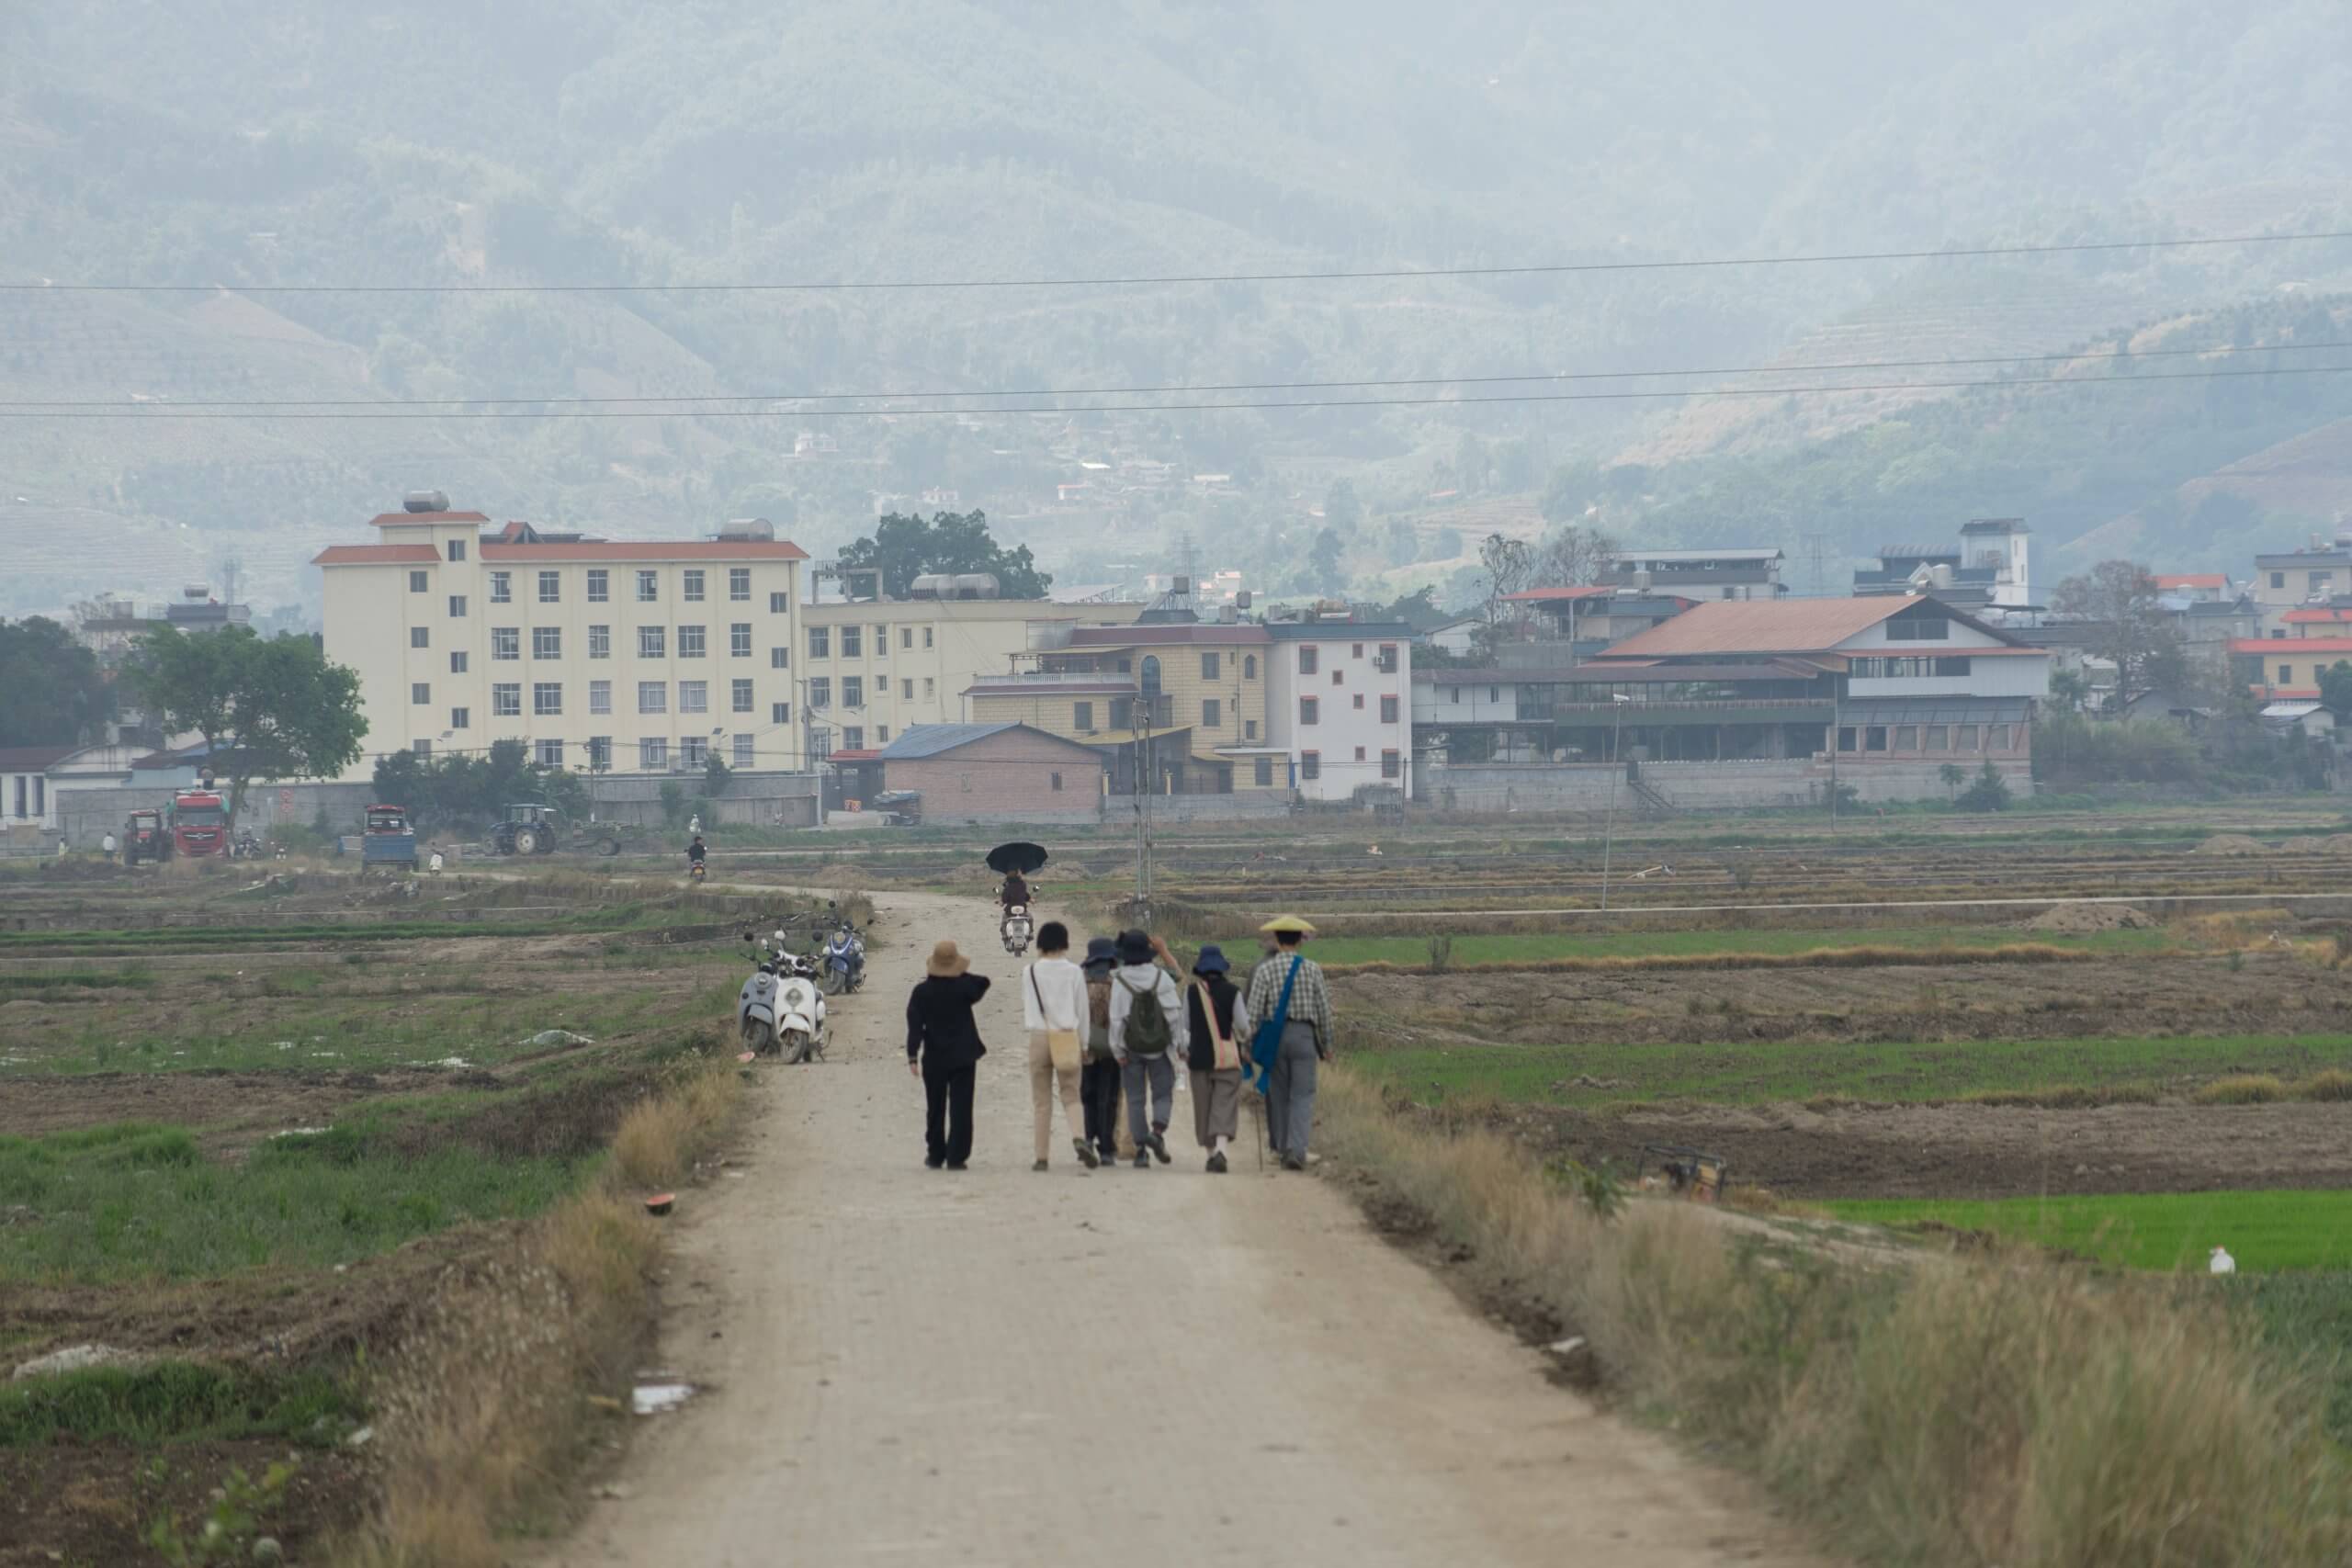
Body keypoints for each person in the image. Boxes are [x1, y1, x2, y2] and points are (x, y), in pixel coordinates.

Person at [1244, 915, 1334, 1171]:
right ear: (1300, 941)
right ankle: (1297, 1149)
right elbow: (1324, 1011)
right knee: (1302, 1095)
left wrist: (1246, 1046)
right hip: (1304, 1036)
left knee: (1279, 1094)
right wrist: (1327, 1045)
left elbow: (1252, 1013)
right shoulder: (1312, 969)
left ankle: (1282, 1149)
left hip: (1274, 1039)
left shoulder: (1265, 970)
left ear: (1276, 939)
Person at [906, 941, 989, 1170]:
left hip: (934, 1057)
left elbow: (914, 1027)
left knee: (935, 1107)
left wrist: (912, 1056)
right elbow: (983, 982)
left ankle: (935, 1155)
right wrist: (960, 974)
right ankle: (957, 1156)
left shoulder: (921, 992)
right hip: (964, 1056)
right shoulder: (964, 988)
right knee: (961, 1108)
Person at [1023, 921, 1098, 1171]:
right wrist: (1085, 1044)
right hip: (1067, 1036)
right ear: (1064, 942)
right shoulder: (1075, 972)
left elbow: (1030, 1007)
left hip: (1040, 1036)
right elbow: (1082, 1012)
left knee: (1042, 1101)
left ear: (1041, 942)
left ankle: (1041, 1158)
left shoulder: (1030, 971)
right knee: (1071, 1094)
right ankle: (1079, 1137)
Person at [1106, 929, 1185, 1168]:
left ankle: (1140, 1150)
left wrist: (1118, 1051)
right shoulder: (1162, 978)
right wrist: (1178, 1046)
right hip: (1160, 1049)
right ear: (1149, 953)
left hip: (1131, 1050)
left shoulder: (1119, 980)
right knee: (1162, 1094)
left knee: (1135, 1098)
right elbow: (1174, 1016)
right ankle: (1158, 1132)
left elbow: (1117, 1021)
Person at [1182, 945, 1244, 1173]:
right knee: (1224, 1103)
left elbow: (1184, 1026)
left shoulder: (1190, 993)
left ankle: (1210, 1155)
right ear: (1222, 969)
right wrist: (1247, 1042)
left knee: (1203, 1105)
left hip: (1198, 1058)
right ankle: (1221, 1151)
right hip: (1226, 1059)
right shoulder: (1233, 992)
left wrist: (1182, 1050)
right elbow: (1243, 1027)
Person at [1079, 937, 1123, 1166]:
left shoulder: (1080, 981)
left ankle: (1087, 1138)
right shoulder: (1116, 982)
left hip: (1085, 1049)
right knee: (1109, 1097)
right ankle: (1106, 1148)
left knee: (1088, 1095)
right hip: (1111, 1049)